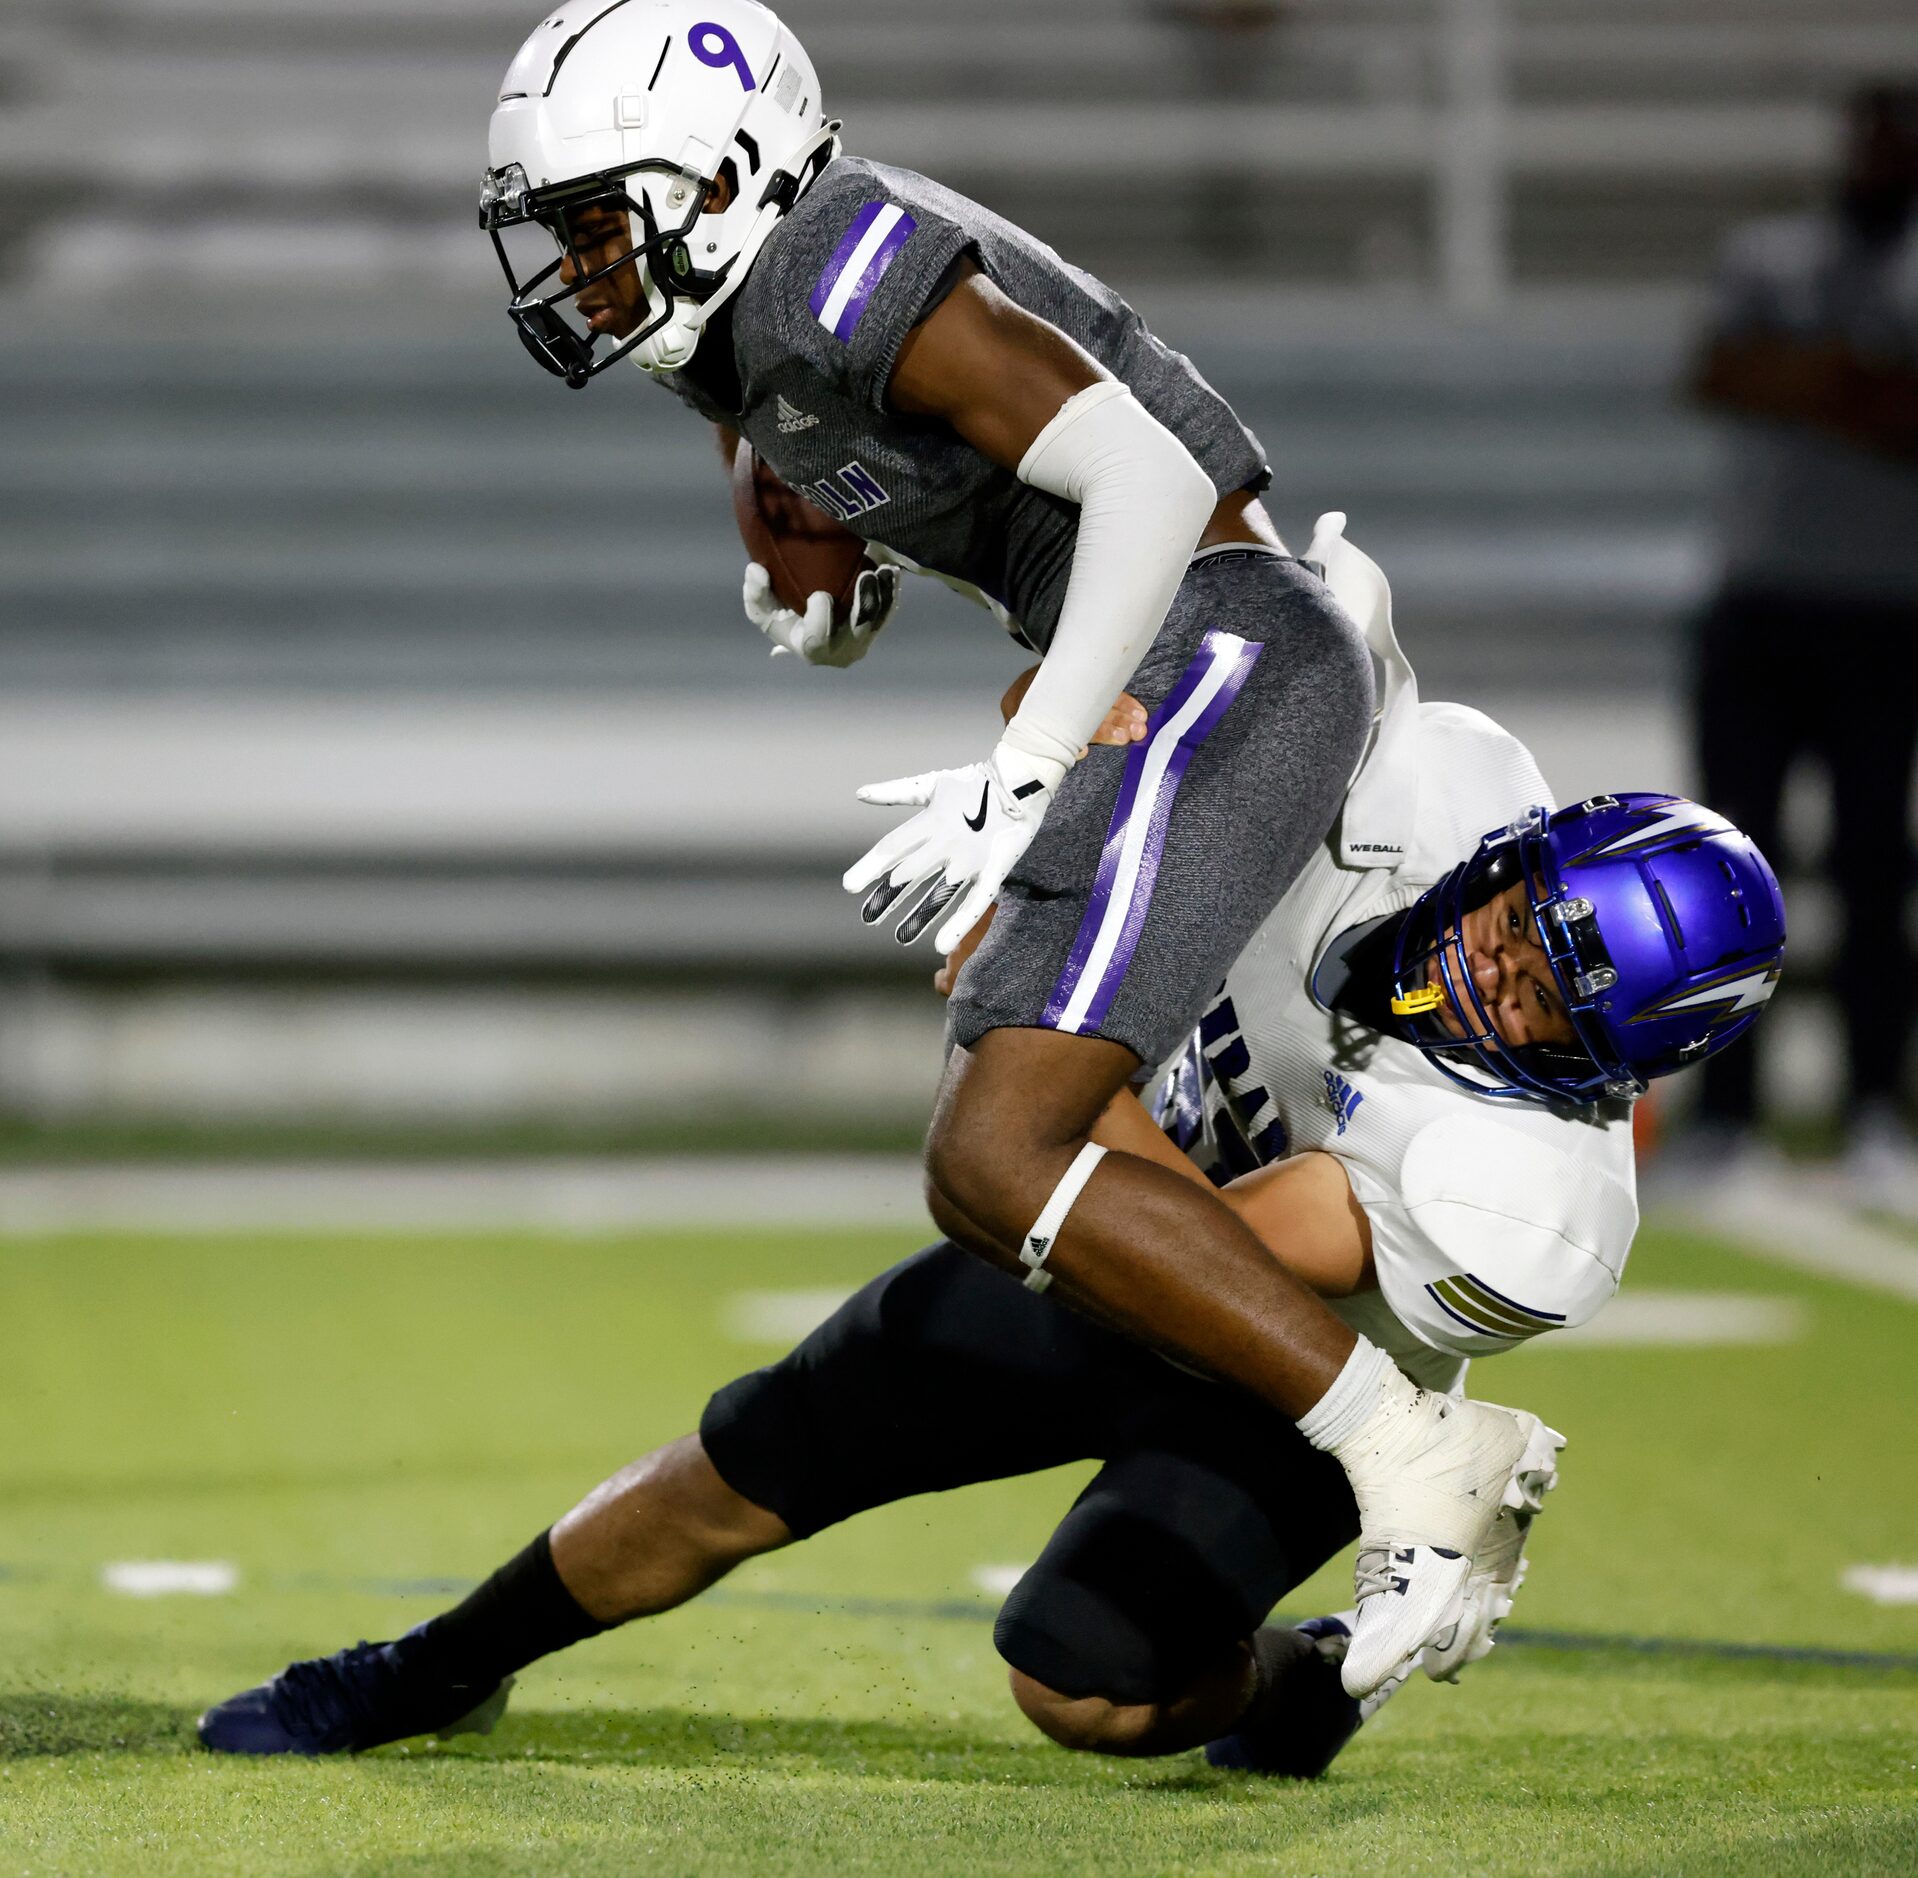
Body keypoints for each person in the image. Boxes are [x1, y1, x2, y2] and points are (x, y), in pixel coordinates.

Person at [196, 524, 1787, 1774]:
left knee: (1077, 1679)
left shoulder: (1511, 1191)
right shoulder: (1413, 787)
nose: (1491, 974)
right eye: (1522, 929)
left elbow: (1197, 1232)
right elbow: (1137, 700)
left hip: (1279, 1347)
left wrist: (1053, 996)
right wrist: (1064, 796)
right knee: (754, 1453)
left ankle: (1292, 1679)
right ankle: (435, 1666)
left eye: (1543, 1002)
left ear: (1616, 1072)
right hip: (1113, 1202)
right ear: (1514, 856)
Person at [474, 0, 1552, 1685]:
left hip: (1229, 646)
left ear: (720, 179)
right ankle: (1354, 1434)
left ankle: (1408, 1451)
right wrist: (844, 570)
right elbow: (876, 458)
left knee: (997, 1150)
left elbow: (1134, 474)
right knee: (1006, 1158)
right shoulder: (756, 323)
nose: (578, 275)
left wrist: (1033, 757)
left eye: (601, 226)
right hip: (1196, 652)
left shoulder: (837, 265)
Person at [1685, 81, 1918, 1199]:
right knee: (1731, 866)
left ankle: (1873, 1107)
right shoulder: (1773, 252)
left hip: (1886, 608)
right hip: (1760, 599)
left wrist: (1810, 380)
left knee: (1876, 867)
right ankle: (1725, 1115)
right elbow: (1716, 374)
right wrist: (1862, 393)